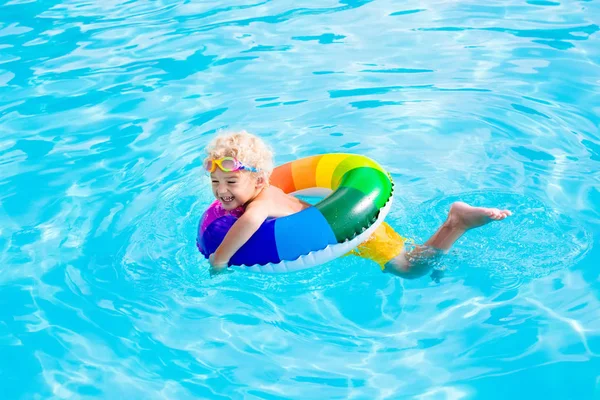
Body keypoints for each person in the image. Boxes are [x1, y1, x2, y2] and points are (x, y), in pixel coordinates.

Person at [204, 131, 511, 278]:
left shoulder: (257, 205)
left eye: (231, 183)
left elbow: (249, 222)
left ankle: (456, 223)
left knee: (408, 269)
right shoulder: (267, 189)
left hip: (351, 233)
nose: (222, 192)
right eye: (216, 183)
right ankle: (440, 253)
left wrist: (219, 261)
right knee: (414, 254)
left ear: (258, 182)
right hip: (342, 216)